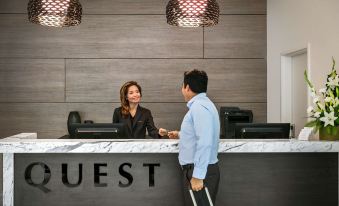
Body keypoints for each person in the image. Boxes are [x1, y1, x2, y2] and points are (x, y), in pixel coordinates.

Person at [168, 70, 220, 205]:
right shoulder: (204, 104)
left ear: (187, 87)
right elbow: (201, 134)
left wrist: (198, 175)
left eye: (182, 86)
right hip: (200, 170)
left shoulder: (199, 107)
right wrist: (180, 134)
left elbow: (205, 142)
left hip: (200, 172)